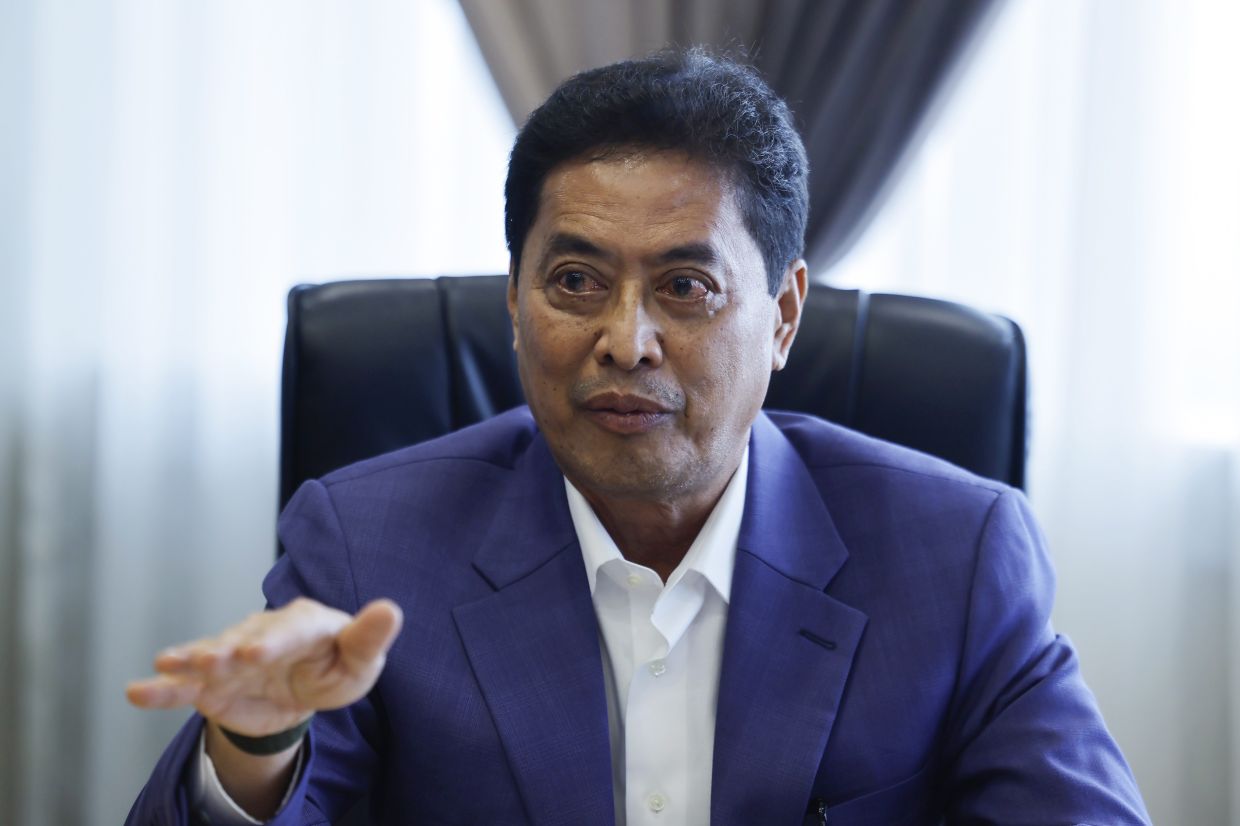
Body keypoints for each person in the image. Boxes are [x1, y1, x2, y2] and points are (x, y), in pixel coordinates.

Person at [125, 48, 1149, 825]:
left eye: (686, 287)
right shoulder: (368, 544)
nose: (626, 341)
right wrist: (256, 744)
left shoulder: (956, 558)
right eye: (575, 281)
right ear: (515, 304)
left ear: (784, 315)